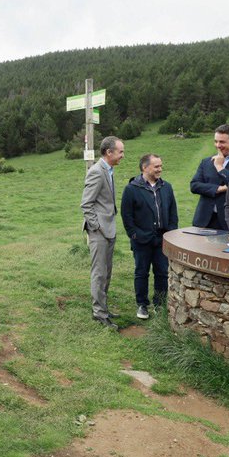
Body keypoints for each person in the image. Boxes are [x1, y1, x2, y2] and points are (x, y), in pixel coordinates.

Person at [120, 152, 177, 318]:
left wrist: (170, 233)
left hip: (162, 239)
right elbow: (127, 215)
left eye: (161, 165)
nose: (160, 169)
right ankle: (142, 305)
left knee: (162, 272)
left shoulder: (166, 187)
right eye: (156, 166)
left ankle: (159, 304)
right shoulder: (132, 189)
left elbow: (173, 212)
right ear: (145, 168)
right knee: (141, 272)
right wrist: (134, 235)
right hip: (141, 240)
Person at [81, 135, 124, 329]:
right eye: (120, 151)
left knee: (107, 272)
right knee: (99, 273)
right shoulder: (97, 171)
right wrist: (96, 227)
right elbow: (86, 204)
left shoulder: (109, 170)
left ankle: (103, 308)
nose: (122, 155)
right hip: (99, 231)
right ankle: (99, 314)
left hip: (109, 229)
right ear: (109, 152)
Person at [189, 124, 229, 229]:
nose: (218, 145)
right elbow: (194, 186)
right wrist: (218, 189)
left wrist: (219, 166)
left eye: (222, 142)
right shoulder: (206, 162)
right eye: (216, 141)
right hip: (204, 220)